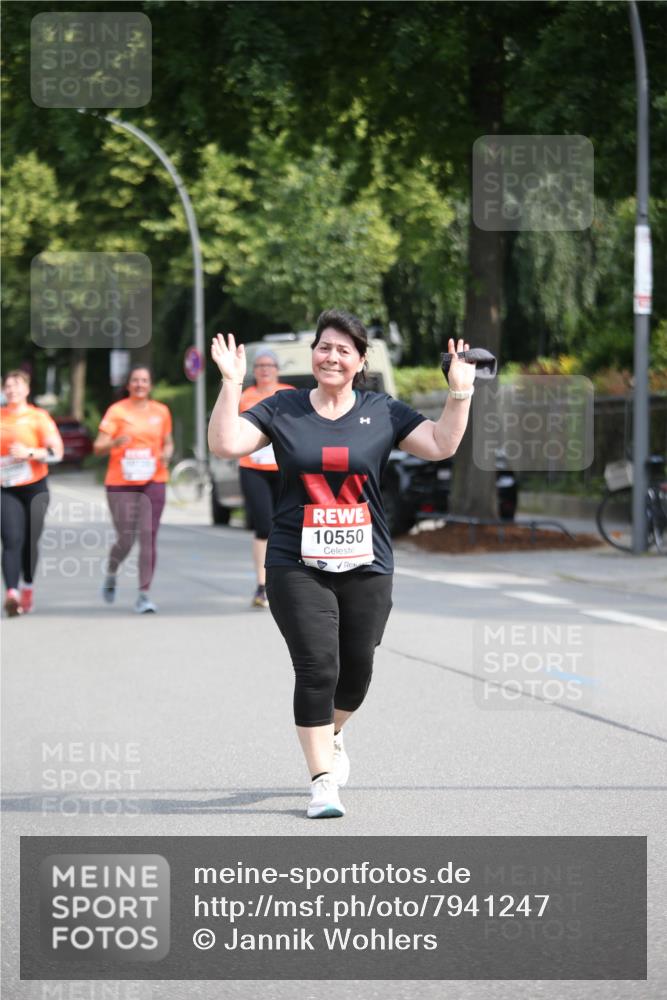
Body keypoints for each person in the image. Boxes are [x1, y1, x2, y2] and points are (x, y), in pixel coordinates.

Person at [208, 309, 475, 818]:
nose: (331, 357)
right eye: (324, 347)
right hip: (295, 560)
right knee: (317, 667)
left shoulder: (383, 411)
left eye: (343, 350)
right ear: (313, 354)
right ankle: (322, 781)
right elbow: (225, 444)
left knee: (357, 671)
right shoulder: (283, 408)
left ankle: (330, 732)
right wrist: (230, 383)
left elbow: (442, 445)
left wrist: (460, 392)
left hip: (366, 560)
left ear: (360, 361)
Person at [94, 366, 173, 614]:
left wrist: (166, 454)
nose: (140, 384)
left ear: (150, 385)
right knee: (126, 538)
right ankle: (111, 572)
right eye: (135, 380)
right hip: (121, 482)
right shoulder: (117, 411)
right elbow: (98, 447)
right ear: (128, 385)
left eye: (144, 380)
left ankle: (144, 595)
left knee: (148, 535)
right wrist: (114, 442)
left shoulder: (161, 411)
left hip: (153, 479)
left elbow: (168, 443)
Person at [1, 369, 64, 616]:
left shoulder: (39, 417)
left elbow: (57, 452)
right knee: (11, 539)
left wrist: (29, 453)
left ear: (27, 390)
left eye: (17, 385)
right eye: (8, 386)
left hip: (35, 487)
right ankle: (12, 594)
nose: (12, 390)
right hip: (6, 488)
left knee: (30, 541)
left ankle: (27, 586)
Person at [238, 349, 295, 608]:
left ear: (277, 370)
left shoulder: (289, 394)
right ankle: (262, 586)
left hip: (285, 468)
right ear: (254, 371)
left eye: (269, 365)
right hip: (253, 468)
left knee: (288, 524)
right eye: (259, 366)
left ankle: (289, 580)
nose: (264, 370)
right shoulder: (245, 397)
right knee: (264, 525)